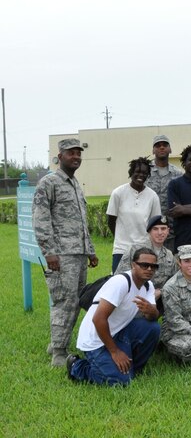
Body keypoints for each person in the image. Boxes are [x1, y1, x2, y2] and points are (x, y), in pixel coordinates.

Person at [33, 138, 99, 367]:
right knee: (64, 302)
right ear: (60, 156)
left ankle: (57, 342)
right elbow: (41, 220)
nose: (76, 157)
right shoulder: (49, 183)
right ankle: (59, 353)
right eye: (71, 153)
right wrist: (49, 252)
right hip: (61, 256)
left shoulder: (74, 183)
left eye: (79, 153)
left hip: (78, 255)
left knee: (77, 300)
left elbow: (81, 222)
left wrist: (90, 251)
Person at [67, 248, 161, 385]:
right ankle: (77, 366)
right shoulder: (121, 282)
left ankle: (133, 368)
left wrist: (151, 311)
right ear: (133, 265)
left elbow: (153, 318)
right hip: (96, 340)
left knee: (152, 328)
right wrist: (115, 352)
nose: (149, 269)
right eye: (144, 265)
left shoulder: (148, 286)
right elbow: (98, 319)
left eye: (153, 266)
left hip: (117, 333)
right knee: (119, 382)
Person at [106, 157, 161, 272]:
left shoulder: (153, 196)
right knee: (120, 283)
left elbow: (155, 224)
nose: (141, 175)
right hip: (121, 249)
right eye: (137, 172)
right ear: (131, 173)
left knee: (141, 284)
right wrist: (120, 238)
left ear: (148, 175)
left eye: (144, 173)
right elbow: (111, 220)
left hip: (144, 249)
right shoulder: (118, 193)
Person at [116, 215, 178, 302]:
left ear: (168, 231)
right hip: (132, 298)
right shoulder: (135, 250)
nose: (160, 233)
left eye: (163, 229)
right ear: (149, 231)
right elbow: (120, 276)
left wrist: (161, 291)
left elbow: (173, 282)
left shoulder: (169, 255)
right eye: (155, 229)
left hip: (156, 299)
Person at [145, 134, 183, 249]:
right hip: (149, 228)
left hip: (171, 229)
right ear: (153, 150)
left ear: (170, 149)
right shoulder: (145, 171)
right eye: (158, 145)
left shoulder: (178, 174)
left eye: (165, 145)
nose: (161, 148)